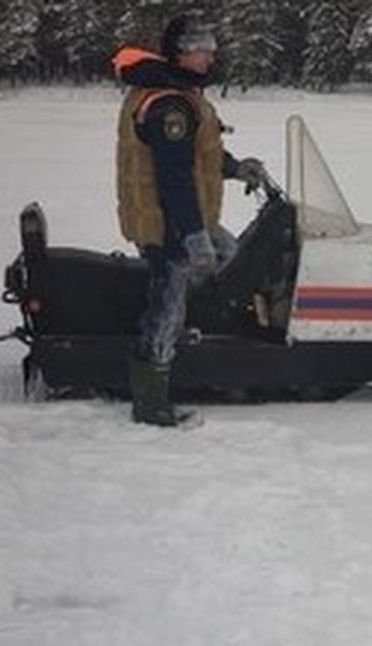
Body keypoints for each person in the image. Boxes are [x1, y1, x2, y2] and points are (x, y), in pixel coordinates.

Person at [113, 12, 267, 426]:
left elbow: (202, 155)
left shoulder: (180, 93)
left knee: (236, 257)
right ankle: (151, 402)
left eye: (211, 45)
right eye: (201, 47)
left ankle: (212, 344)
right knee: (167, 304)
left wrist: (236, 169)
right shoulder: (168, 105)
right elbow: (175, 177)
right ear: (180, 53)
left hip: (183, 218)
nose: (210, 54)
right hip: (168, 224)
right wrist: (194, 235)